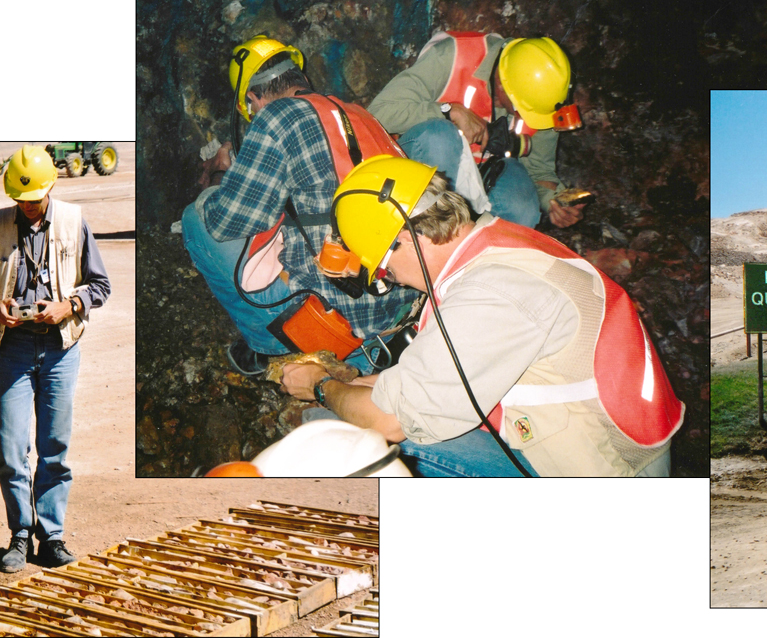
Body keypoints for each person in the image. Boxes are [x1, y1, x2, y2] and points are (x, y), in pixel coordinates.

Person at [279, 157, 683, 477]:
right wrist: (348, 380)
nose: (393, 281)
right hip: (601, 442)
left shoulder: (492, 292)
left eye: (384, 270)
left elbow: (391, 421)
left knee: (354, 439)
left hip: (607, 474)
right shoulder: (497, 243)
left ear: (405, 240)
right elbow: (433, 374)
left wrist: (320, 386)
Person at [184, 35, 421, 377]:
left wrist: (221, 179)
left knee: (197, 218)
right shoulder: (359, 115)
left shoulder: (276, 117)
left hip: (344, 321)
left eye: (250, 112)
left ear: (254, 98)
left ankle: (270, 348)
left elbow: (226, 223)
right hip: (400, 300)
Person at [0, 146, 111, 573]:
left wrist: (69, 305)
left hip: (61, 348)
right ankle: (20, 534)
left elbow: (100, 285)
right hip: (13, 349)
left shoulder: (74, 221)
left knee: (54, 447)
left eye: (33, 199)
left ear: (51, 188)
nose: (26, 206)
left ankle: (53, 535)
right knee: (10, 447)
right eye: (19, 199)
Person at [369, 31, 588, 230]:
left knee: (522, 207)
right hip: (420, 162)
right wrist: (447, 112)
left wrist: (555, 202)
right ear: (502, 85)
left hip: (484, 172)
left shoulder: (545, 97)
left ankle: (479, 264)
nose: (525, 119)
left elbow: (539, 172)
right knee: (440, 138)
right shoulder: (452, 57)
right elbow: (378, 115)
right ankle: (422, 238)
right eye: (521, 110)